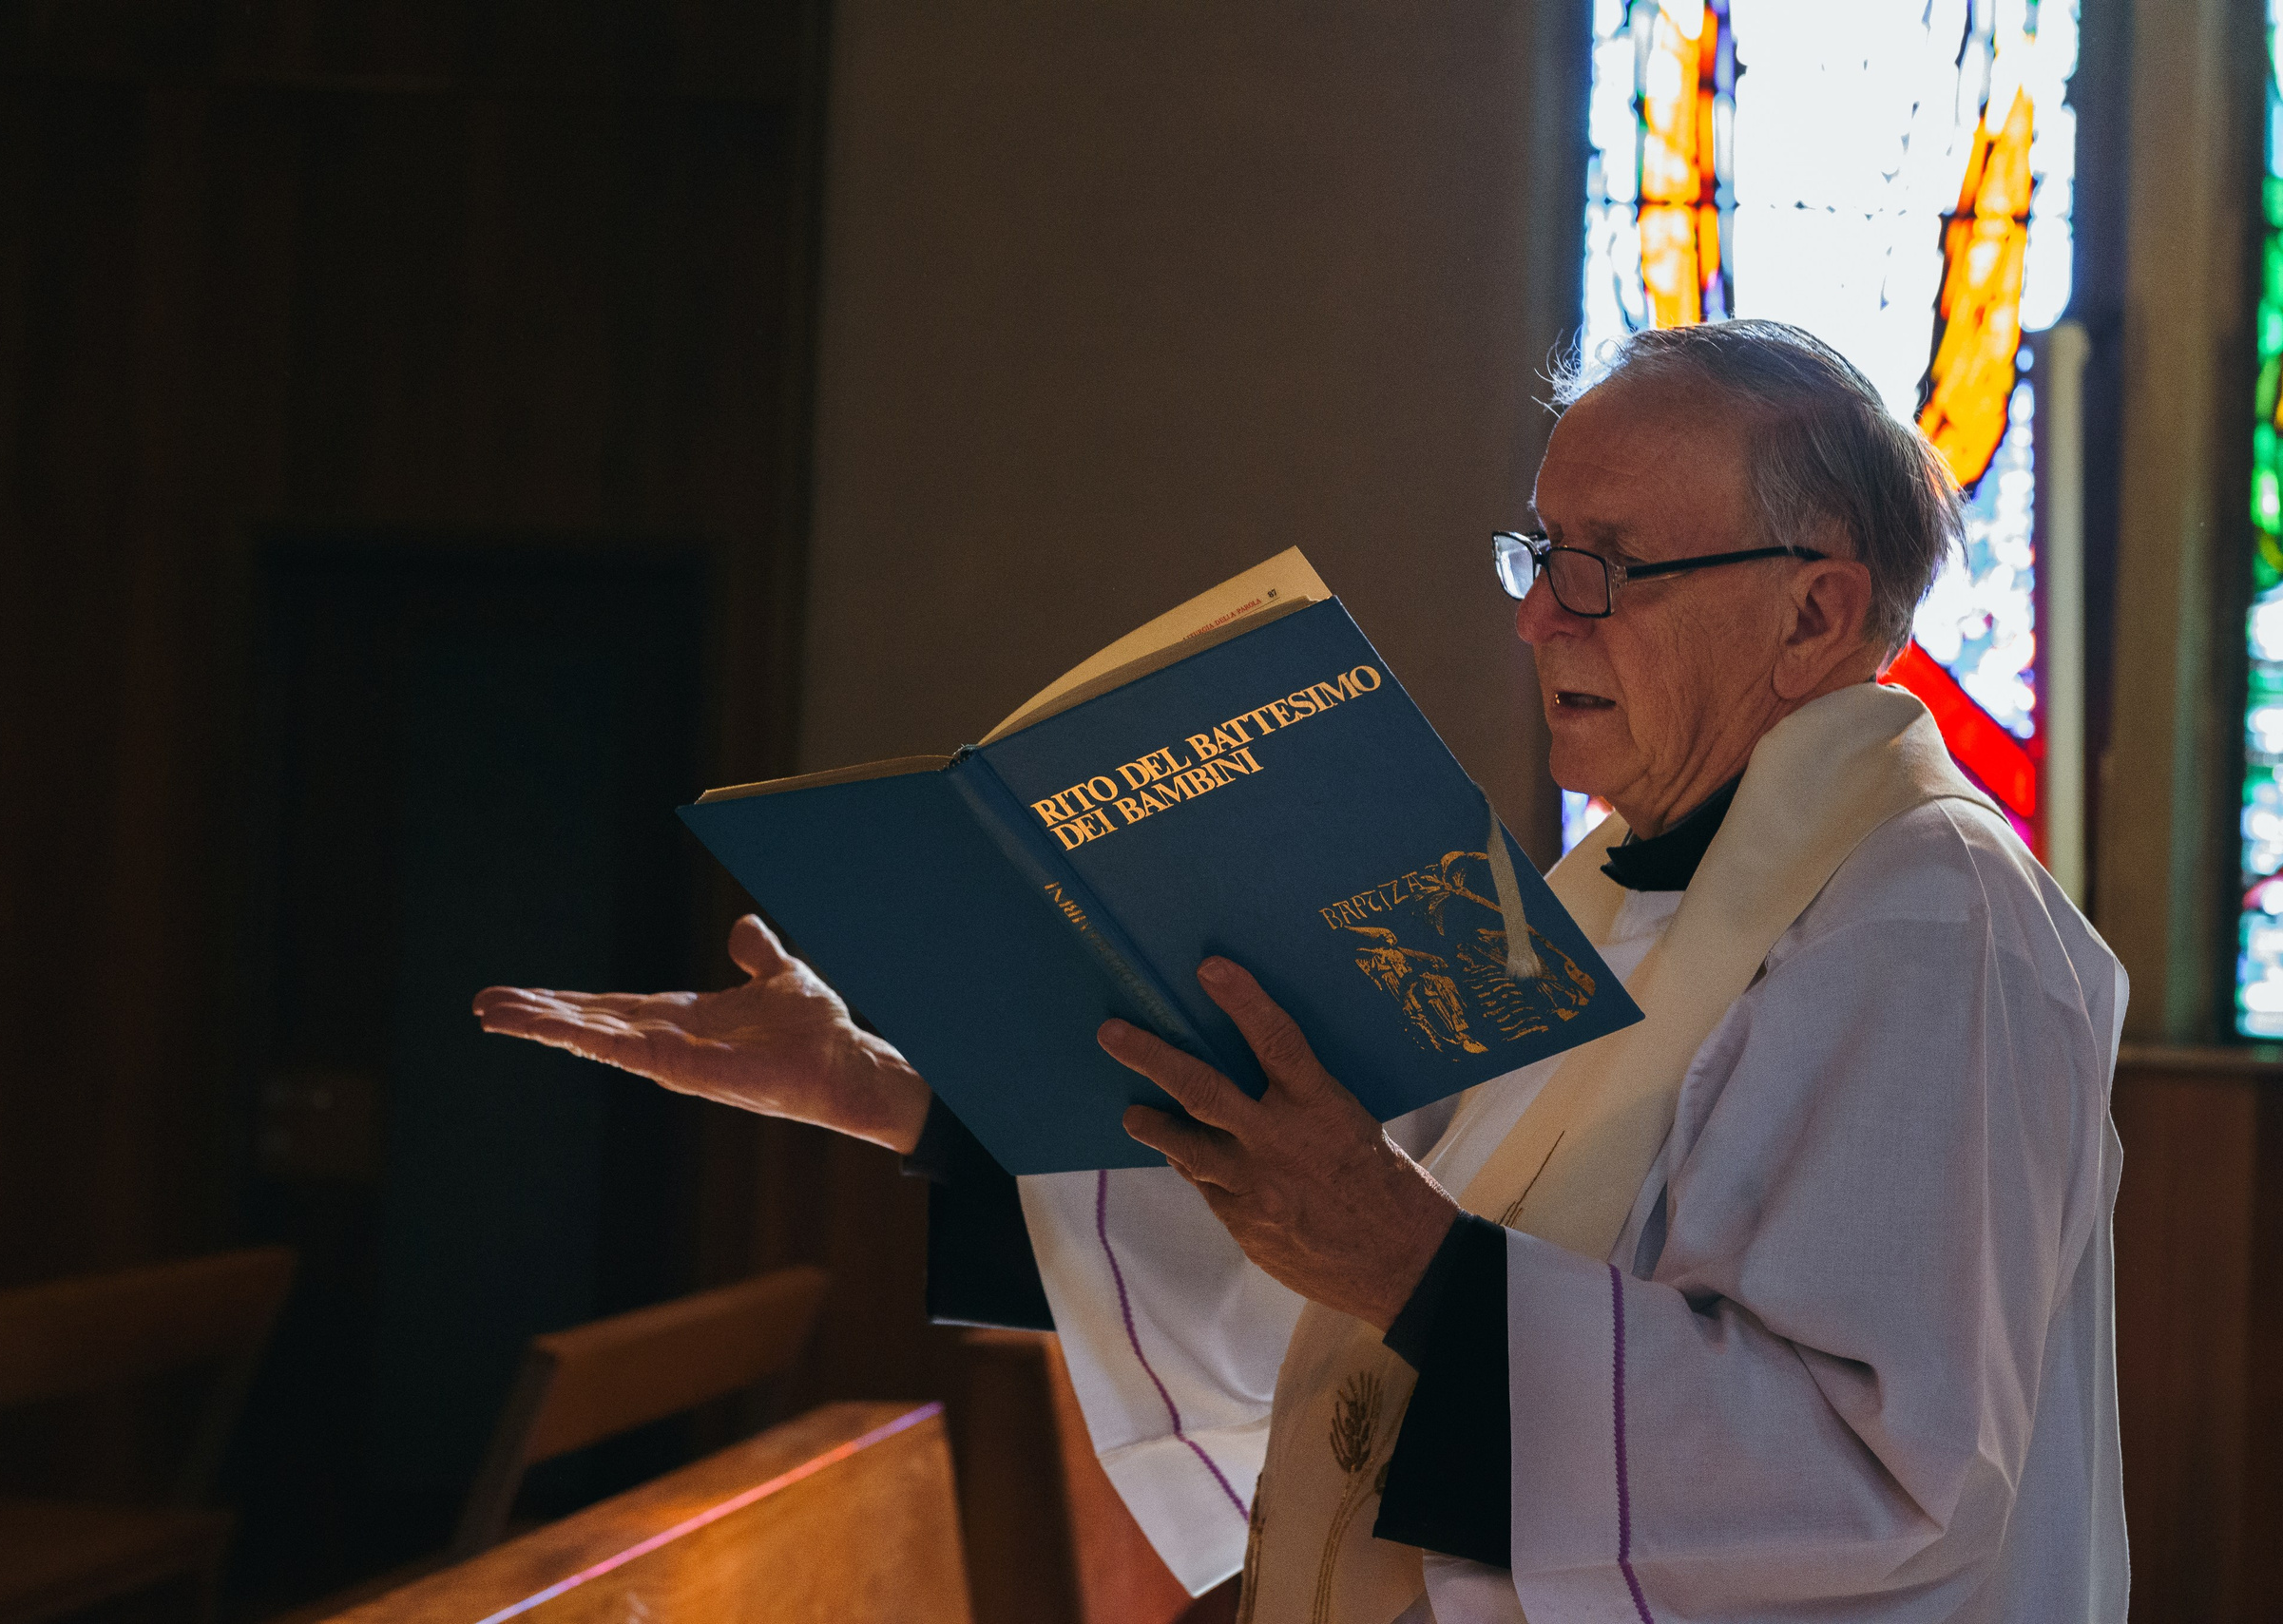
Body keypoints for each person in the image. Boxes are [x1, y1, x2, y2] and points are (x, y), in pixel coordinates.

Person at [475, 319, 2124, 1624]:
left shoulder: (1930, 926)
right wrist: (911, 1106)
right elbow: (1333, 1278)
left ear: (1817, 612)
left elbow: (1887, 1485)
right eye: (1533, 554)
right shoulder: (1611, 900)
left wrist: (1412, 1264)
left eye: (1606, 566)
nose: (1541, 621)